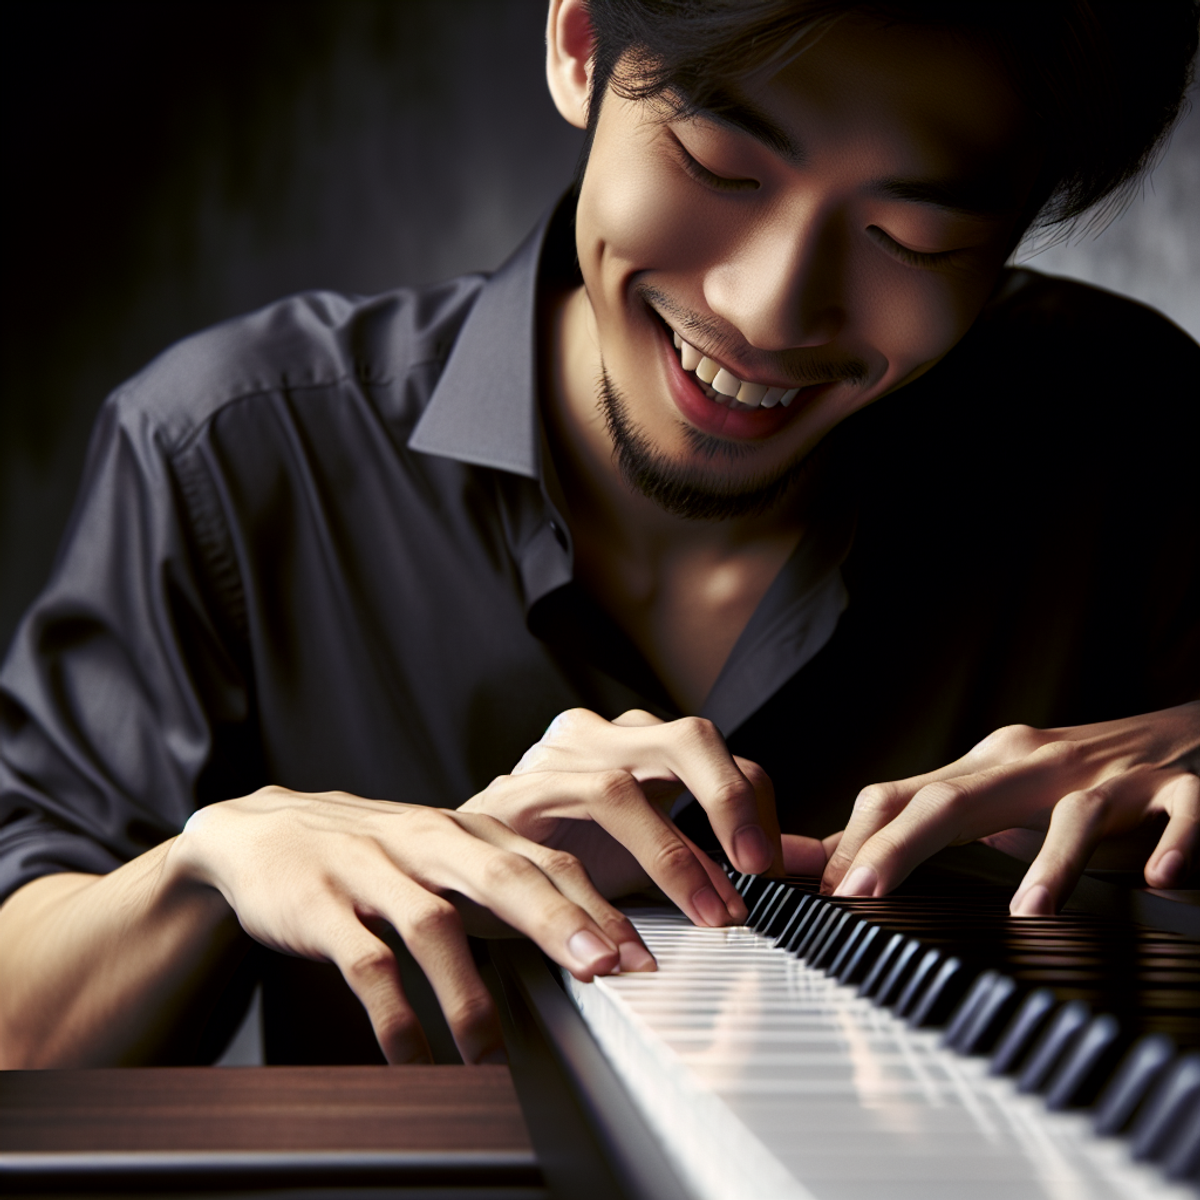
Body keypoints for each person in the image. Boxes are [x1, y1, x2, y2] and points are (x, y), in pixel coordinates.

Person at [1, 0, 1197, 1070]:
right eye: (722, 165)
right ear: (580, 46)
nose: (766, 313)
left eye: (913, 242)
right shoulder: (229, 450)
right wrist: (207, 865)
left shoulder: (1129, 424)